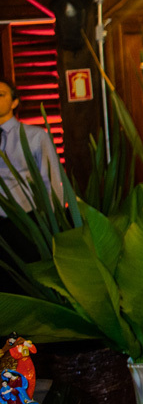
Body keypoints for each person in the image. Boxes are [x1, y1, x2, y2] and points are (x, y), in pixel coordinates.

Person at [0, 77, 64, 267]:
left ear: (14, 102)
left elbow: (50, 180)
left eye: (1, 95)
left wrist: (54, 223)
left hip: (26, 219)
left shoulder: (35, 136)